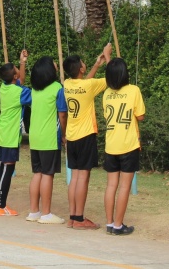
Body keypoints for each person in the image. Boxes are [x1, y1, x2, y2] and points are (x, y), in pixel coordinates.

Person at [62, 42, 113, 230]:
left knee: (75, 177)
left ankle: (72, 217)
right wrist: (107, 56)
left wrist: (96, 65)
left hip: (72, 137)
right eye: (83, 62)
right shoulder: (89, 86)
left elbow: (84, 85)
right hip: (85, 136)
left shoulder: (67, 84)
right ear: (81, 69)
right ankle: (79, 219)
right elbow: (114, 77)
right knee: (84, 177)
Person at [102, 58, 145, 236]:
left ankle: (109, 223)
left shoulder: (106, 93)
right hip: (128, 145)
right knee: (124, 186)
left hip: (111, 145)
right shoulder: (134, 90)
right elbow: (140, 116)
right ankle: (118, 226)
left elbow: (106, 116)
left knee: (111, 185)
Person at [26, 56, 68, 224]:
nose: (56, 64)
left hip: (34, 137)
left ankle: (34, 212)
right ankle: (46, 214)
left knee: (37, 173)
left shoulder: (34, 90)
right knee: (48, 174)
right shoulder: (58, 88)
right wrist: (64, 134)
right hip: (49, 137)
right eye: (53, 63)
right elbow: (62, 114)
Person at [0, 50, 31, 216]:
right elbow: (34, 95)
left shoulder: (4, 87)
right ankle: (1, 206)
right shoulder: (20, 92)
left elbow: (20, 80)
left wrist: (22, 62)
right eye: (16, 69)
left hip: (2, 132)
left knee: (0, 167)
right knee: (8, 169)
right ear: (15, 76)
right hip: (10, 134)